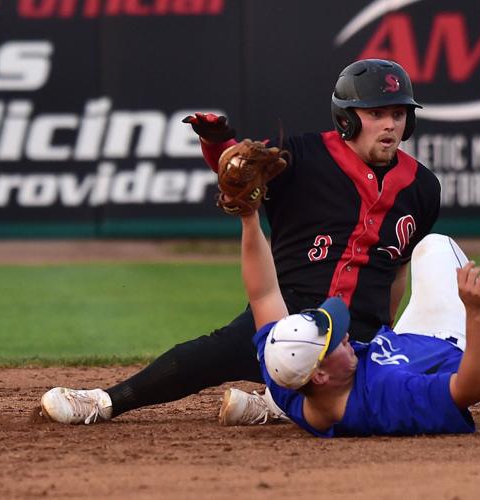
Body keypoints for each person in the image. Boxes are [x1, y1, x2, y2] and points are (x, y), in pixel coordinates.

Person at [39, 59, 442, 425]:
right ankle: (104, 401)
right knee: (208, 355)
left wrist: (386, 334)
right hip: (287, 322)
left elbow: (397, 271)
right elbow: (240, 168)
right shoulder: (300, 156)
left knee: (429, 384)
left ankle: (276, 402)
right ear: (347, 120)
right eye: (376, 114)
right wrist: (219, 145)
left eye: (398, 113)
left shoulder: (423, 187)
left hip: (361, 339)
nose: (390, 124)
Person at [238, 206, 480, 436]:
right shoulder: (388, 396)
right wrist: (475, 314)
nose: (346, 336)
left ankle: (269, 404)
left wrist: (249, 217)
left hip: (401, 344)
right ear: (319, 376)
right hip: (449, 341)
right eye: (336, 342)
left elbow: (263, 295)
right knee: (435, 245)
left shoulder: (284, 369)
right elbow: (474, 388)